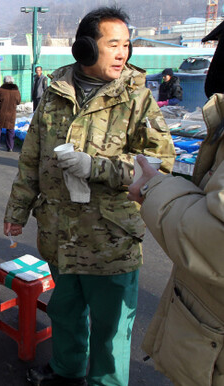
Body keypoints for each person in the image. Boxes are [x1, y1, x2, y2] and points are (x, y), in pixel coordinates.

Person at [3, 7, 176, 386]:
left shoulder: (137, 98)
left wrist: (96, 167)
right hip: (60, 233)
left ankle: (104, 383)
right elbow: (30, 157)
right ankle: (66, 371)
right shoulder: (54, 93)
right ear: (84, 48)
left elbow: (159, 164)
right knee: (65, 310)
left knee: (111, 329)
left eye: (127, 45)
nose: (123, 54)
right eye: (113, 44)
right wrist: (17, 210)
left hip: (110, 238)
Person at [128, 22, 224, 385]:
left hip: (123, 230)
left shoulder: (141, 99)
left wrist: (153, 188)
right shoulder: (62, 90)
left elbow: (216, 238)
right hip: (203, 321)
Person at [0, 75, 21, 152]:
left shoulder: (1, 90)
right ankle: (10, 147)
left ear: (4, 81)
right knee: (10, 129)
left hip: (0, 112)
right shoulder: (16, 91)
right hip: (11, 113)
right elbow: (18, 101)